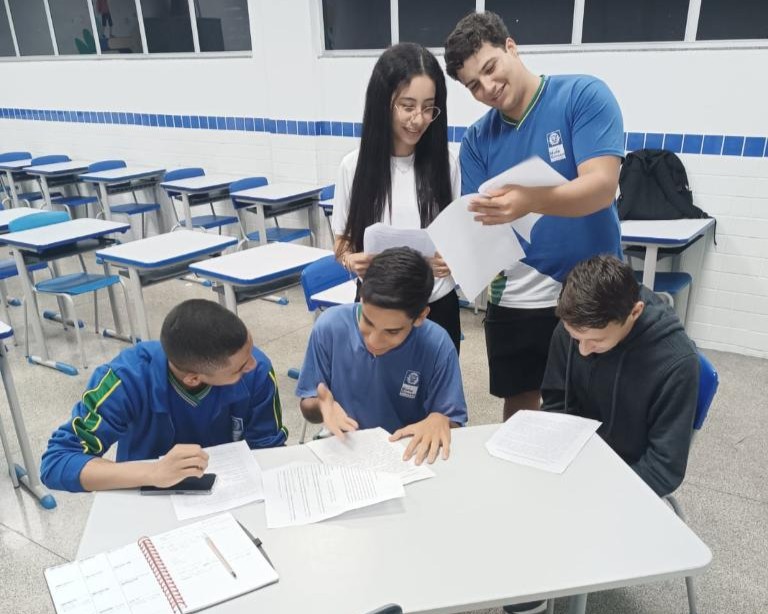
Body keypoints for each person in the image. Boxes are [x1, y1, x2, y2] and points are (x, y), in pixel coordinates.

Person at [444, 11, 625, 420]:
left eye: (490, 68)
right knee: (521, 404)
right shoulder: (478, 139)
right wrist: (455, 255)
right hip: (519, 291)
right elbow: (478, 221)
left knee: (595, 403)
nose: (488, 87)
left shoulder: (581, 96)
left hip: (592, 285)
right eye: (474, 85)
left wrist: (530, 200)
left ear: (511, 47)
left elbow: (601, 187)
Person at [40, 299, 288, 493]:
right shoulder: (125, 378)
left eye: (250, 351)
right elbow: (56, 462)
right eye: (240, 368)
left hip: (230, 492)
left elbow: (268, 451)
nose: (253, 364)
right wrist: (152, 473)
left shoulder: (258, 373)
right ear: (193, 378)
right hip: (147, 495)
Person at [332, 42, 463, 353]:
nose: (419, 119)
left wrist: (453, 258)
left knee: (438, 384)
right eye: (407, 106)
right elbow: (341, 242)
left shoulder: (447, 163)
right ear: (383, 103)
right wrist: (350, 259)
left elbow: (457, 237)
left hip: (435, 306)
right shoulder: (353, 167)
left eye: (429, 107)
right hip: (378, 310)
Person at [542, 255, 699, 497]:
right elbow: (555, 405)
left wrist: (599, 493)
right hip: (574, 464)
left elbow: (664, 468)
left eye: (597, 341)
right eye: (576, 338)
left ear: (635, 312)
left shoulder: (676, 363)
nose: (583, 350)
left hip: (630, 478)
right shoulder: (574, 325)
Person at [296, 247, 467, 465]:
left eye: (392, 331)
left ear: (420, 317)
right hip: (347, 449)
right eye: (367, 322)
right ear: (361, 297)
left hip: (407, 453)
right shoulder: (330, 327)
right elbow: (308, 405)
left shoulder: (437, 345)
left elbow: (452, 421)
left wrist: (440, 418)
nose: (374, 341)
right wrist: (321, 407)